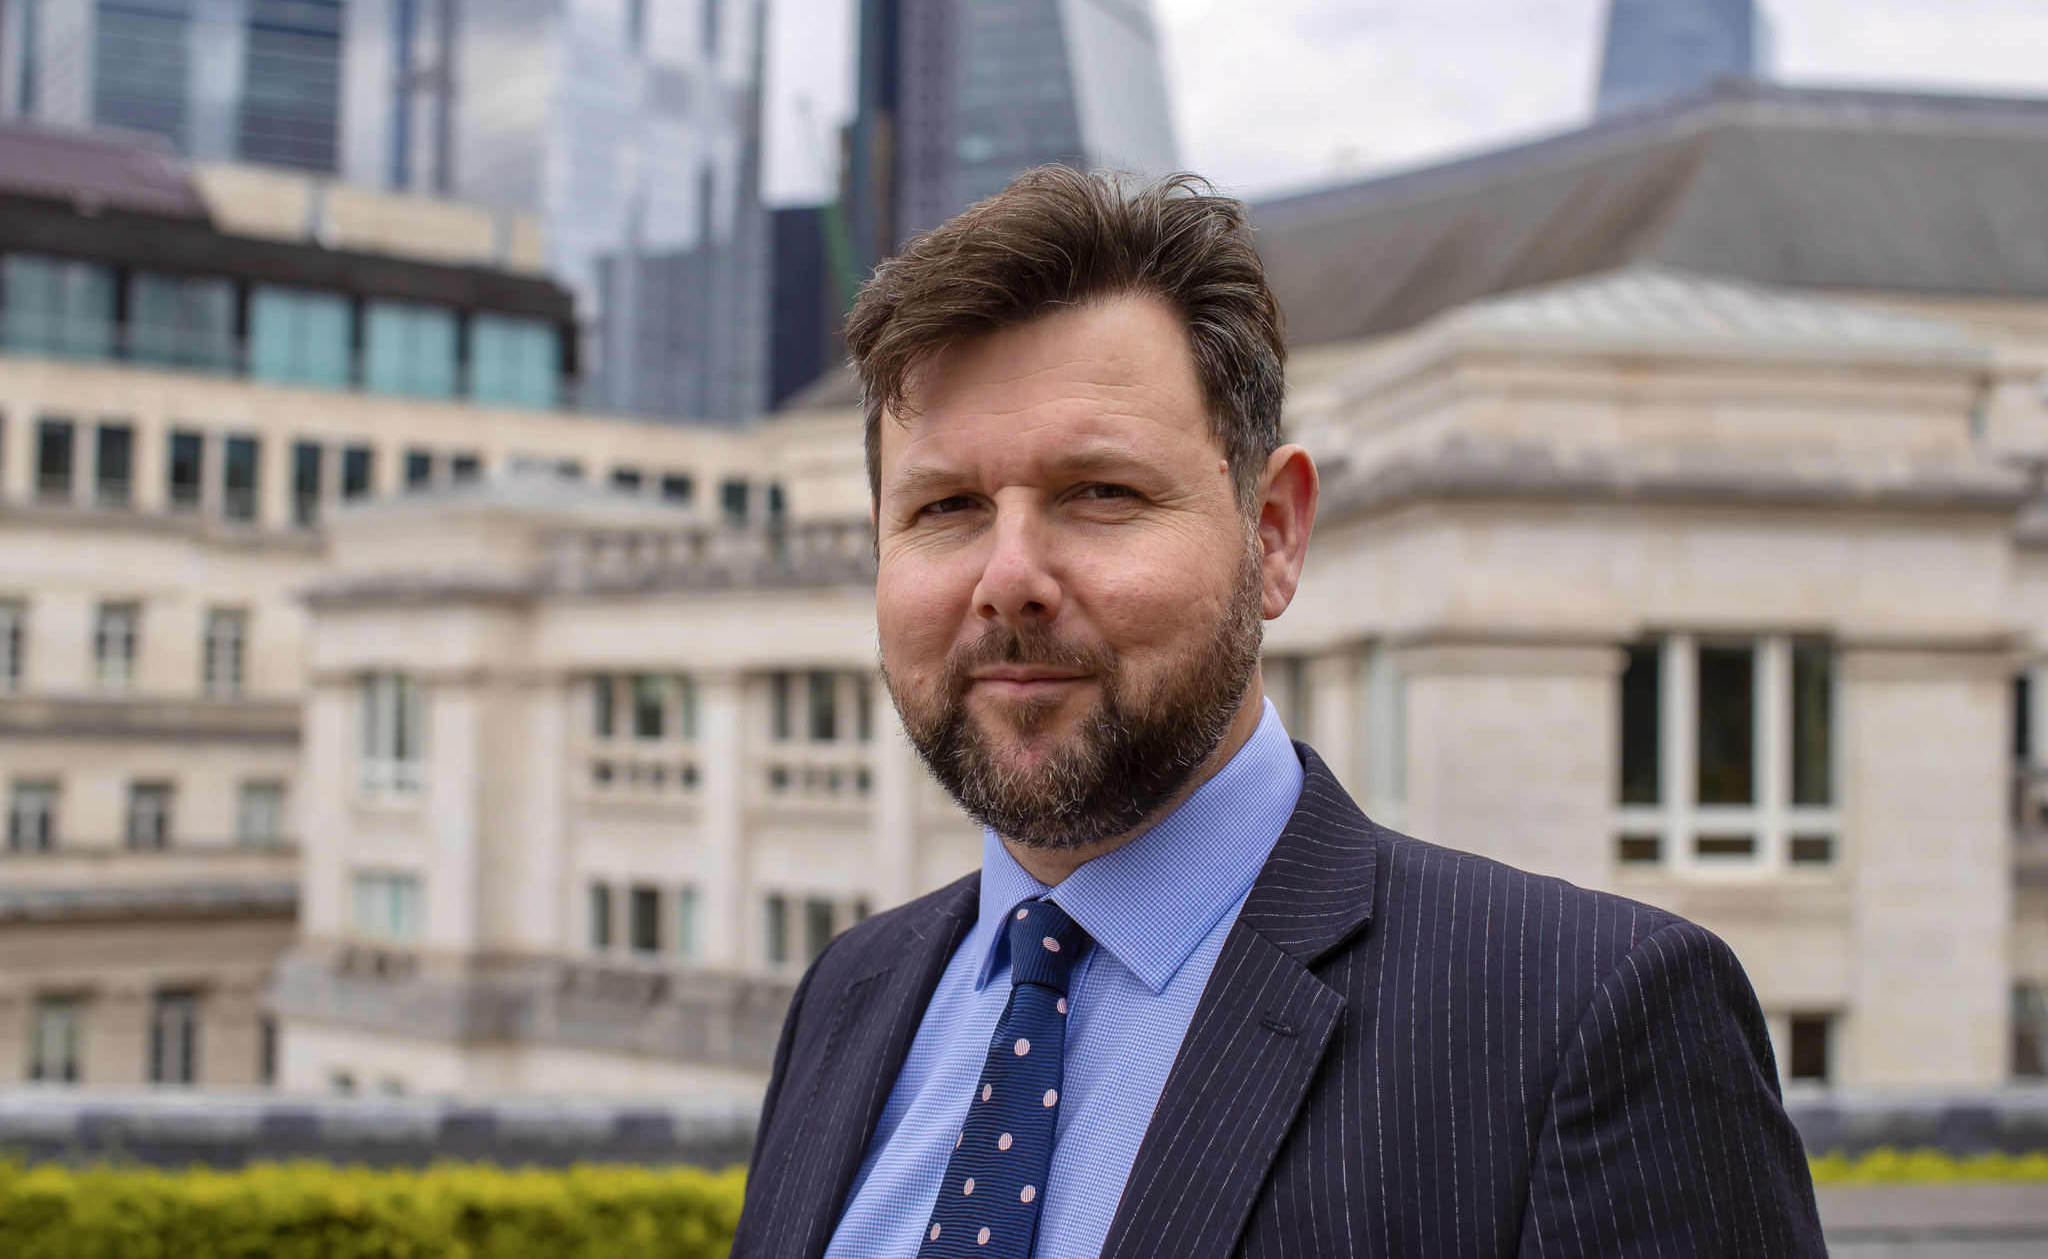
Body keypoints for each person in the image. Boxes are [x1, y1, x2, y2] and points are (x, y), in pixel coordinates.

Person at [731, 168, 1825, 1258]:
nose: (1009, 577)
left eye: (1100, 493)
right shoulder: (849, 996)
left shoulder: (1582, 1023)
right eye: (946, 507)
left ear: (1274, 534)